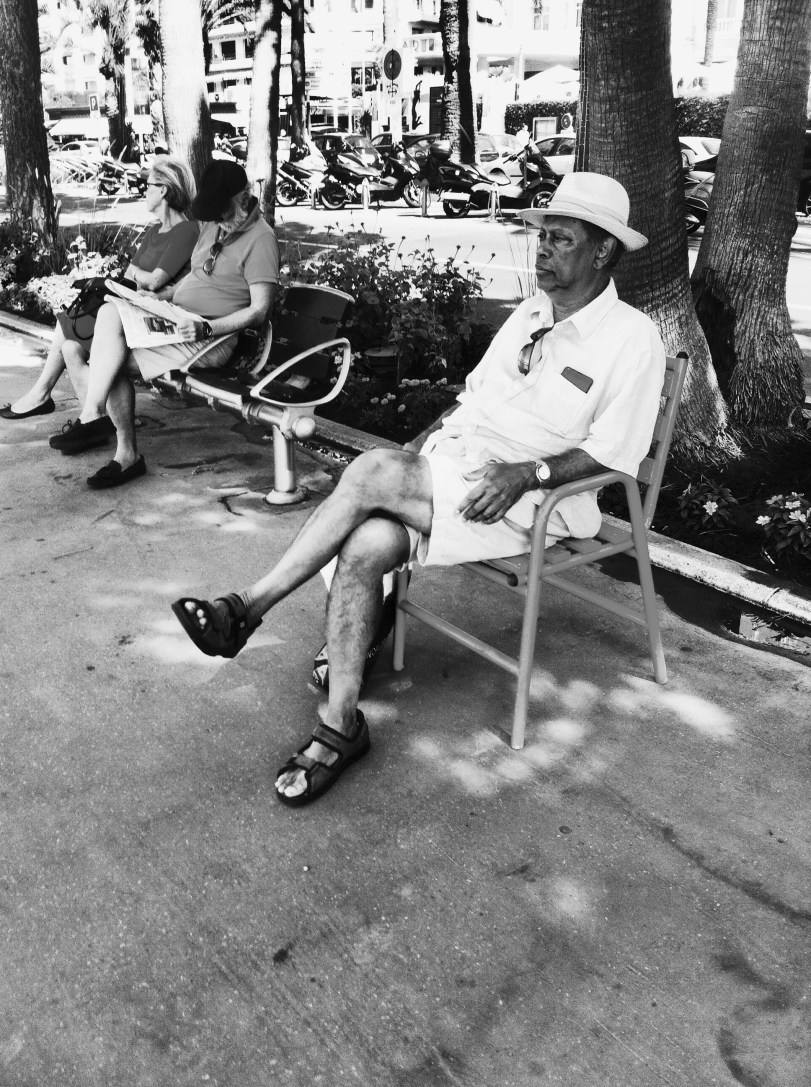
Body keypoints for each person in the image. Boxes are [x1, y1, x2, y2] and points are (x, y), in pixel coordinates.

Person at [171, 172, 666, 807]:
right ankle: (340, 725)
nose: (541, 250)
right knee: (367, 546)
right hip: (459, 475)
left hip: (534, 502)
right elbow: (471, 400)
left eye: (560, 240)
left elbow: (616, 453)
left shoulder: (631, 338)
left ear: (603, 252)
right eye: (542, 237)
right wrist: (420, 449)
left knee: (373, 472)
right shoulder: (532, 313)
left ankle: (248, 607)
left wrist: (528, 474)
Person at [45, 160, 280, 489]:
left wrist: (207, 329)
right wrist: (159, 298)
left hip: (210, 337)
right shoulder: (214, 223)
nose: (213, 218)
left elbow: (259, 311)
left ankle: (119, 448)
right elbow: (196, 275)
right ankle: (97, 418)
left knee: (109, 364)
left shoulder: (261, 240)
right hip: (177, 320)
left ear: (241, 200)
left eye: (220, 210)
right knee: (112, 310)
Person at [1, 156, 199, 424]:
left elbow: (153, 281)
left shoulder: (186, 230)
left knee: (70, 328)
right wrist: (141, 277)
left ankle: (44, 395)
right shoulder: (155, 230)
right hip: (133, 305)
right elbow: (132, 275)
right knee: (70, 345)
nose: (144, 190)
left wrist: (141, 277)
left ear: (163, 189)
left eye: (148, 185)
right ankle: (91, 419)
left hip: (154, 316)